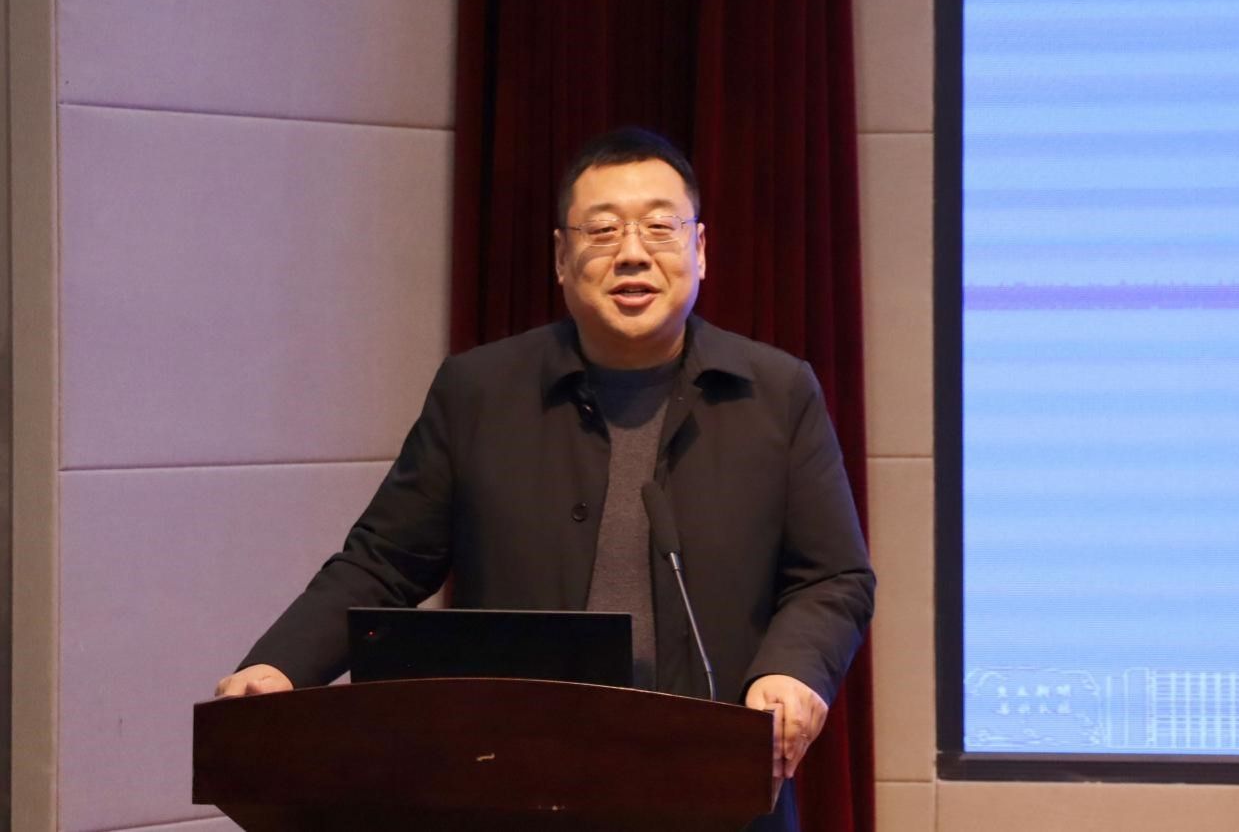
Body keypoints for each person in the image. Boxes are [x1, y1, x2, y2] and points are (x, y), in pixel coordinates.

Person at [215, 127, 875, 831]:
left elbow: (833, 576)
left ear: (700, 249)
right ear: (561, 257)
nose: (632, 253)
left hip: (716, 793)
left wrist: (790, 672)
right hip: (514, 786)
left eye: (660, 227)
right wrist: (280, 668)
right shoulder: (480, 393)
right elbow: (382, 563)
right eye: (603, 230)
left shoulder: (776, 395)